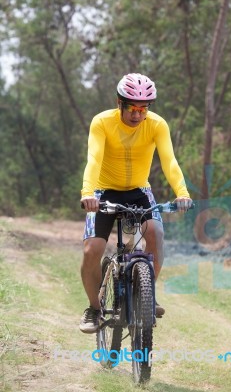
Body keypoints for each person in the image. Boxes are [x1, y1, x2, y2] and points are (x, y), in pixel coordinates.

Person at [79, 73, 192, 333]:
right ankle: (94, 309)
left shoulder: (157, 125)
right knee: (91, 251)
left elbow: (169, 161)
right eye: (132, 107)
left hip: (139, 191)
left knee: (156, 233)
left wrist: (182, 193)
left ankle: (146, 292)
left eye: (144, 108)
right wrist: (88, 193)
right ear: (119, 102)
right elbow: (94, 159)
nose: (138, 114)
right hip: (103, 191)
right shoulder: (102, 122)